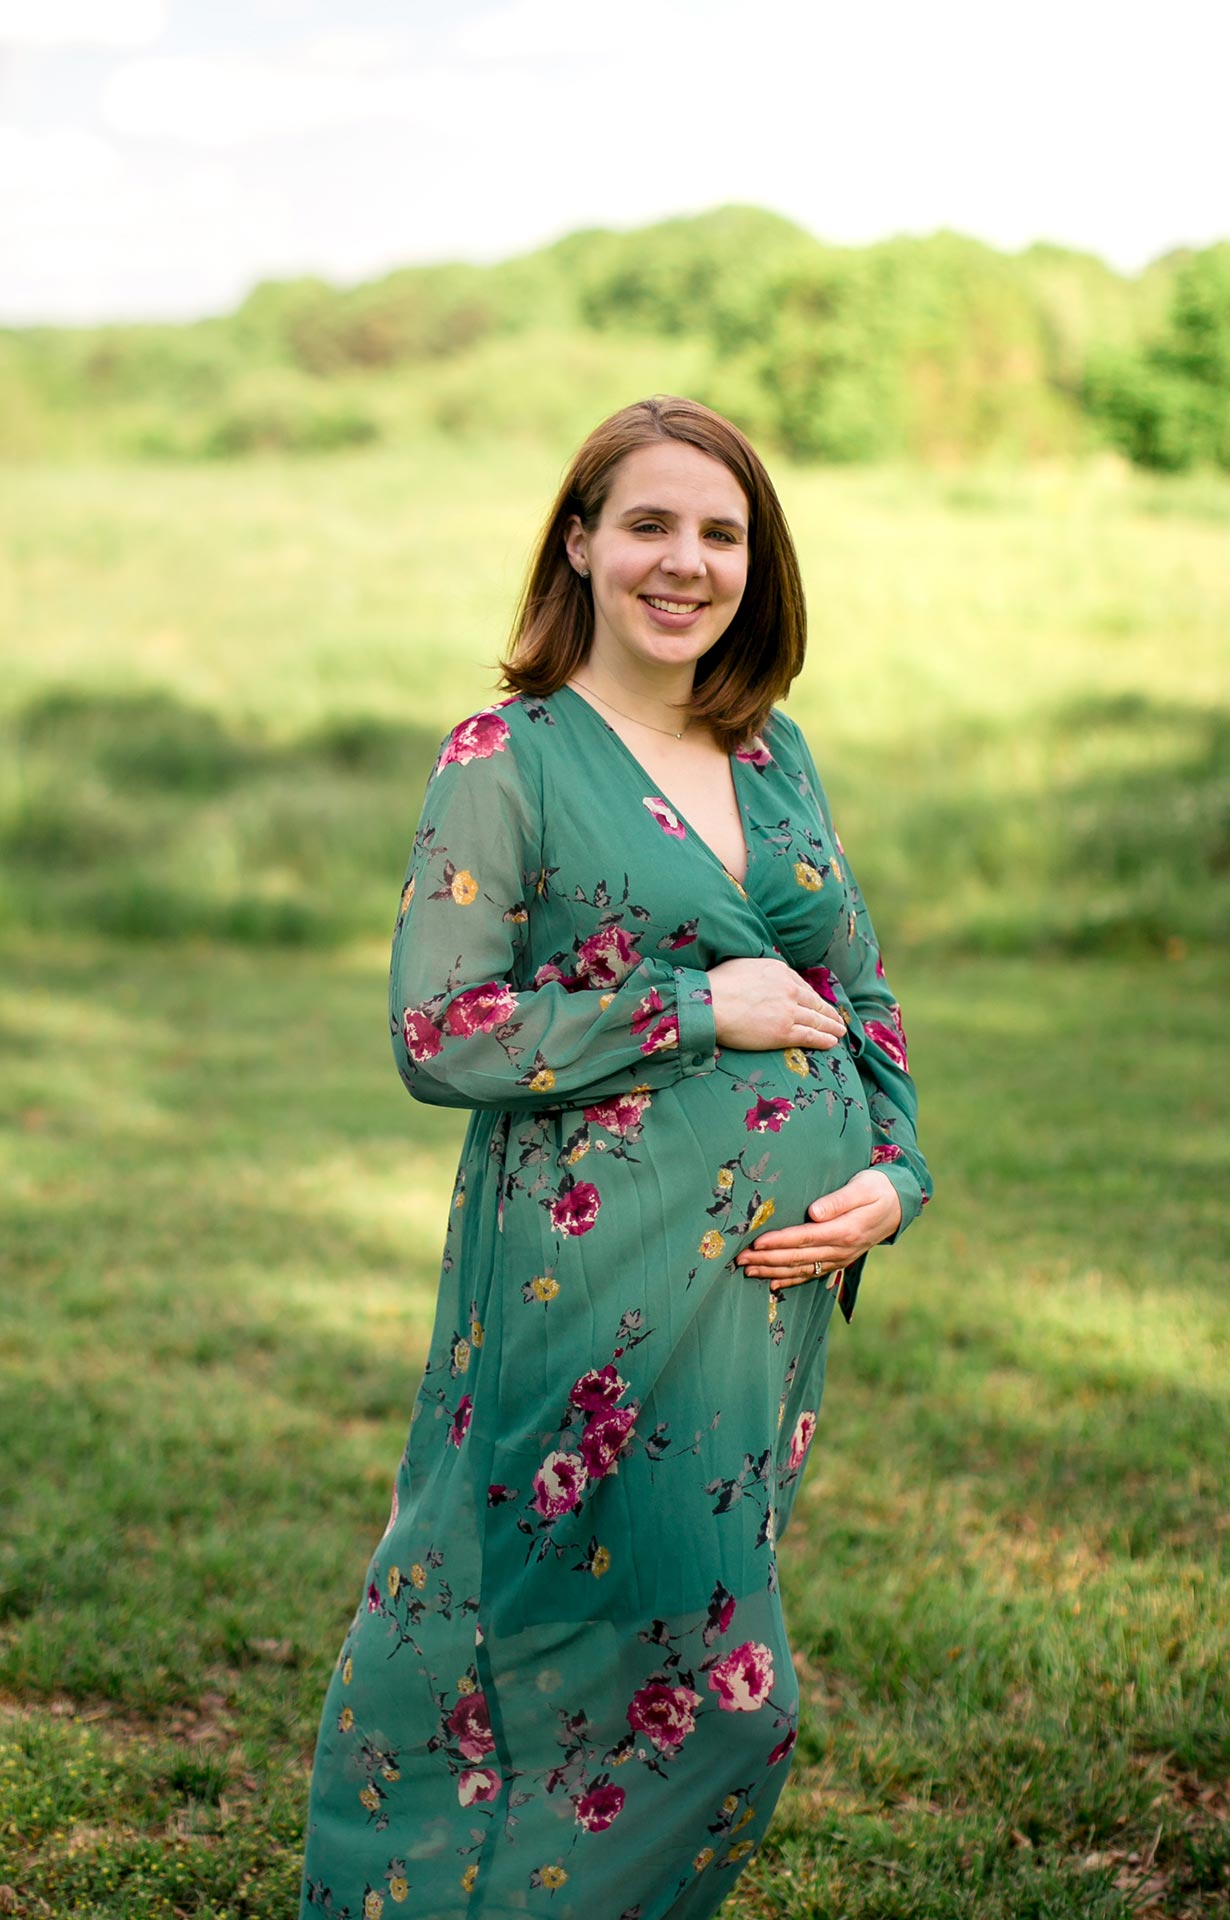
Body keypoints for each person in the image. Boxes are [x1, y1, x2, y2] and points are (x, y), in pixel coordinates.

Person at [299, 395, 933, 1920]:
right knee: (672, 1685)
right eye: (647, 523)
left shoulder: (773, 756)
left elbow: (859, 992)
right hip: (586, 1293)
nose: (685, 561)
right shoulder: (504, 756)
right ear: (578, 542)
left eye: (720, 533)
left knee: (666, 1662)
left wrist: (898, 1176)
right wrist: (688, 1006)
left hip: (763, 1304)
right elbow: (438, 1031)